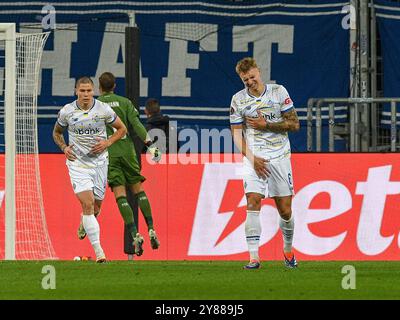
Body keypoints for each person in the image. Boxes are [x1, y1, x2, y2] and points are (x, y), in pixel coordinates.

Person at [230, 57, 300, 270]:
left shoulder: (279, 92)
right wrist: (252, 159)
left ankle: (288, 250)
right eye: (245, 80)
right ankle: (254, 258)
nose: (250, 82)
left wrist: (266, 124)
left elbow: (295, 124)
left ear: (259, 72)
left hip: (279, 157)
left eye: (252, 77)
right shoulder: (238, 100)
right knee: (252, 201)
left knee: (285, 211)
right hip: (255, 157)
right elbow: (236, 134)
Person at [53, 76, 127, 263]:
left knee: (96, 207)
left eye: (89, 91)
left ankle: (85, 221)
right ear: (76, 91)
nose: (86, 94)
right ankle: (99, 253)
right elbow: (57, 133)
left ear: (93, 91)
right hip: (78, 164)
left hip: (100, 163)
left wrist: (107, 142)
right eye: (82, 91)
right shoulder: (67, 112)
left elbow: (122, 129)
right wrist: (64, 148)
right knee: (87, 203)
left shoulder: (103, 109)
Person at [94, 71, 161, 256]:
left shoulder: (95, 105)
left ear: (100, 88)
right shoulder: (124, 102)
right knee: (138, 190)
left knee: (120, 194)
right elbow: (137, 124)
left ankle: (134, 234)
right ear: (114, 86)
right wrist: (150, 145)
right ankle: (151, 228)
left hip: (109, 153)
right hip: (128, 151)